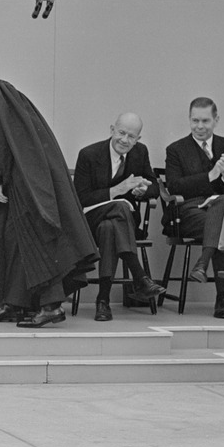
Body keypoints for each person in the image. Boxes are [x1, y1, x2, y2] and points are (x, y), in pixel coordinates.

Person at [0, 57, 99, 327]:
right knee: (12, 241)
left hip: (20, 183)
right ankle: (14, 303)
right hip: (21, 181)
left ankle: (51, 307)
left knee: (34, 241)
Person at [73, 113, 166, 321]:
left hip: (119, 224)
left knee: (110, 227)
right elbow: (80, 198)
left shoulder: (140, 153)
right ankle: (140, 277)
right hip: (91, 219)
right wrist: (117, 191)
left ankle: (103, 300)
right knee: (121, 207)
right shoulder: (89, 154)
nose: (125, 140)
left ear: (138, 139)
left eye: (131, 137)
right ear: (112, 130)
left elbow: (154, 188)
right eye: (121, 133)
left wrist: (143, 190)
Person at [164, 97, 224, 319]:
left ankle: (202, 263)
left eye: (205, 121)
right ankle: (223, 298)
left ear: (216, 120)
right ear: (189, 119)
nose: (199, 126)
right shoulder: (176, 149)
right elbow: (175, 185)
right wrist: (211, 175)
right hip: (190, 210)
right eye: (195, 120)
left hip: (222, 209)